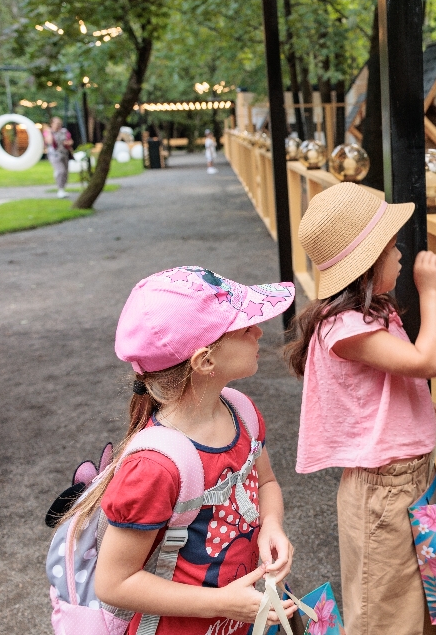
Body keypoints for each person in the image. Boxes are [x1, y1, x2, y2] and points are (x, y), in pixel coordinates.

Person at [63, 266, 299, 634]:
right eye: (244, 328)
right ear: (205, 361)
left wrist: (271, 524)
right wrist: (223, 603)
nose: (258, 331)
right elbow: (115, 582)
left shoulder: (242, 412)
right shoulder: (154, 467)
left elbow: (265, 482)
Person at [284, 183, 436, 635]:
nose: (400, 254)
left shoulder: (370, 314)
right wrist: (430, 292)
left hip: (412, 477)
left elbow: (384, 384)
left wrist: (422, 407)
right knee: (385, 616)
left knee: (432, 609)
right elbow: (427, 361)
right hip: (383, 493)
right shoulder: (345, 328)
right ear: (368, 260)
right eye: (392, 247)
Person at [42, 116, 74, 198]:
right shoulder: (48, 132)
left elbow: (70, 141)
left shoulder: (64, 131)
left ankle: (62, 188)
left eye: (60, 123)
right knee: (60, 171)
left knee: (65, 172)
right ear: (52, 124)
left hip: (64, 154)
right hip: (54, 155)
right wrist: (49, 132)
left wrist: (68, 143)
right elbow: (49, 141)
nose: (59, 125)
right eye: (57, 123)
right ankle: (60, 189)